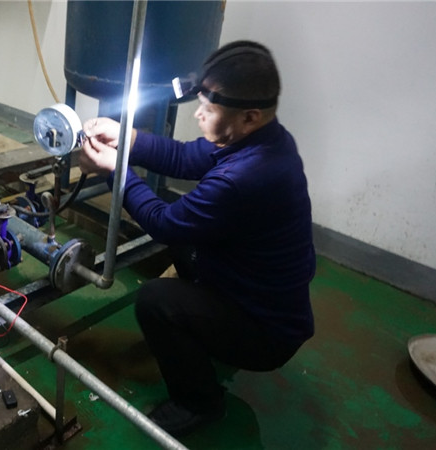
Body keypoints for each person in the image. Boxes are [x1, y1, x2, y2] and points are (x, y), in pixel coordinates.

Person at [79, 40, 316, 437]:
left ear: (250, 116)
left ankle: (198, 402)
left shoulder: (244, 178)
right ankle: (205, 334)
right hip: (258, 294)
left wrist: (115, 171)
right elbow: (186, 157)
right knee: (187, 233)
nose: (198, 113)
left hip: (266, 332)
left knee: (156, 300)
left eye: (209, 108)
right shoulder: (265, 140)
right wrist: (127, 137)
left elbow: (162, 223)